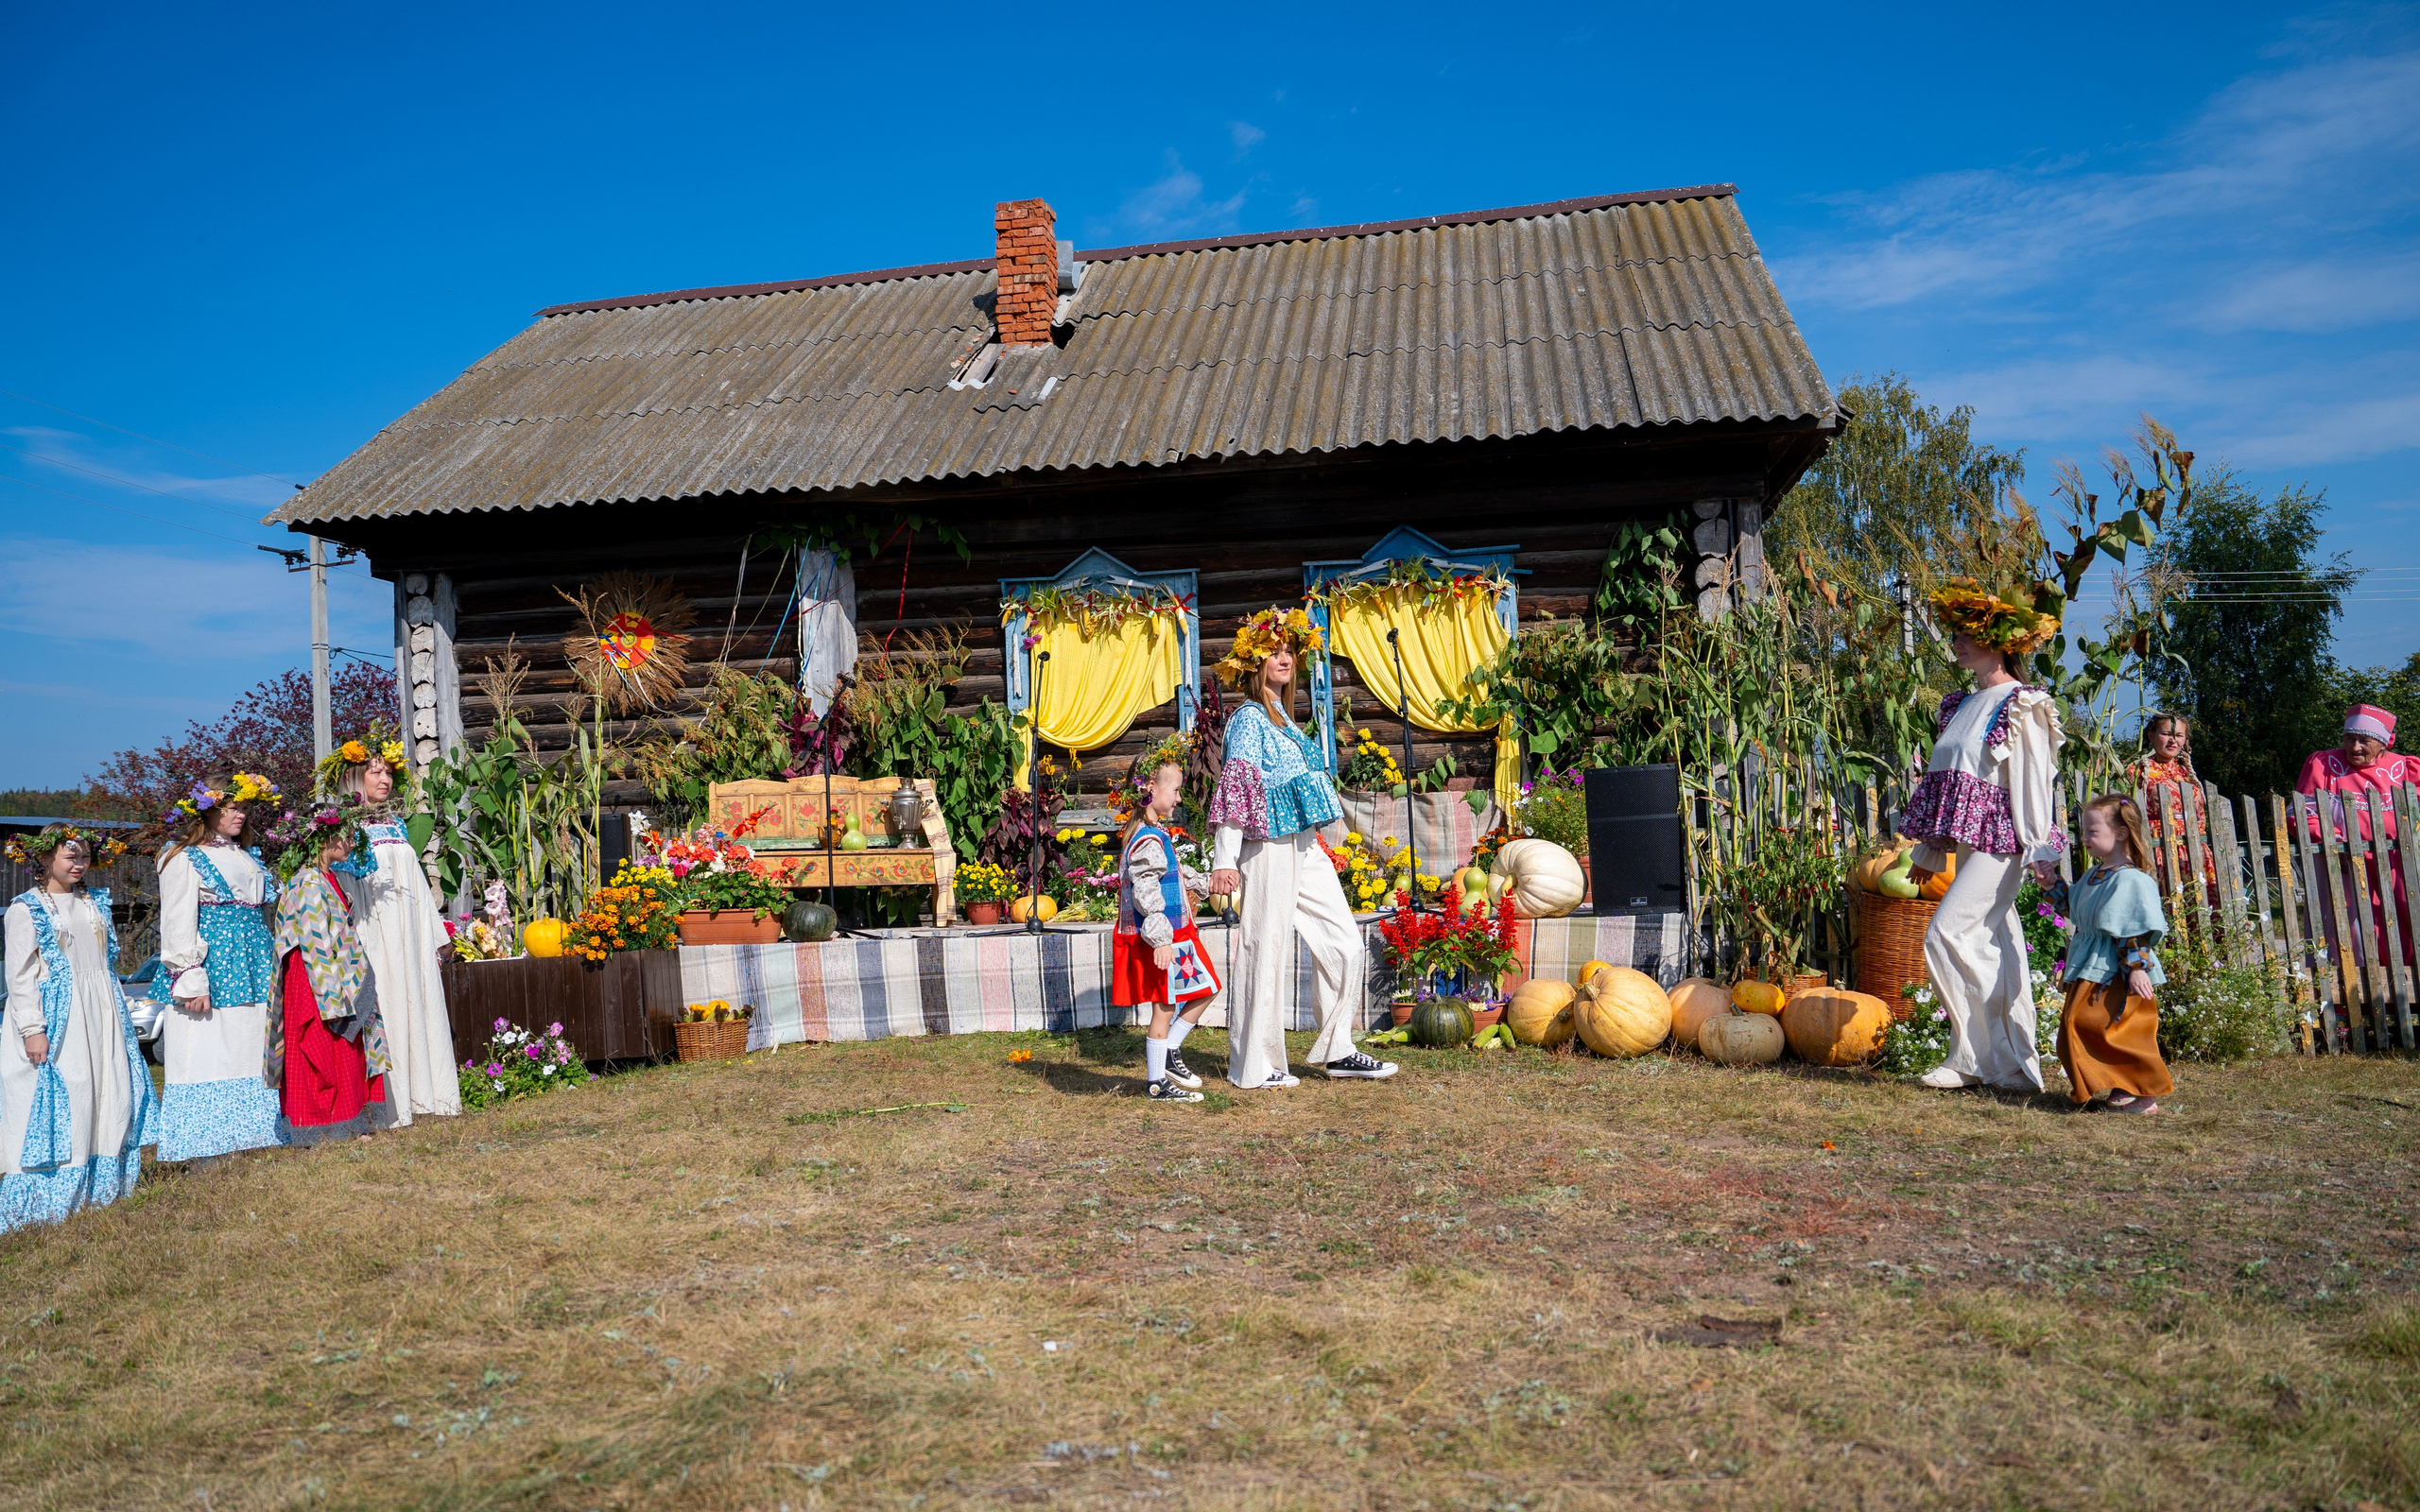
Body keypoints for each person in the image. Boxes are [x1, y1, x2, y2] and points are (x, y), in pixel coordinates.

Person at [1205, 607, 1397, 1089]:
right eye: (1272, 651)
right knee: (1263, 949)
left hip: (1303, 845)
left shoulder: (1286, 720)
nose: (1284, 656)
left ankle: (1338, 1049)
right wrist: (1224, 860)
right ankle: (1255, 1065)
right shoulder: (1250, 719)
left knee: (1344, 942)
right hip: (1266, 845)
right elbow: (1237, 788)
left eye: (1289, 650)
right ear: (1254, 664)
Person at [1902, 578, 2066, 1093]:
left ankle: (1979, 1059)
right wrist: (1929, 852)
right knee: (2000, 945)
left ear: (2000, 642)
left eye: (1968, 634)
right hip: (1975, 842)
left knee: (1948, 935)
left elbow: (2034, 780)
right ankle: (2014, 1065)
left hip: (2006, 843)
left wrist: (2041, 849)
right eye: (1956, 634)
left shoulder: (2023, 703)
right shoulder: (1959, 706)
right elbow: (1950, 788)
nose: (1957, 642)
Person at [1, 825, 156, 1231]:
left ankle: (102, 1193)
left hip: (101, 1010)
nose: (80, 864)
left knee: (108, 1091)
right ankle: (47, 1204)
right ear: (46, 859)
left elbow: (104, 965)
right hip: (59, 1017)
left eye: (84, 856)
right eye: (71, 857)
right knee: (70, 1095)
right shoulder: (26, 908)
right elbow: (19, 977)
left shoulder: (95, 903)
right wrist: (32, 1029)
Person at [319, 736, 458, 1123]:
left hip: (409, 930)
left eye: (387, 772)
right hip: (374, 930)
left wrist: (436, 934)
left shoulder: (396, 822)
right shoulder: (344, 827)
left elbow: (414, 878)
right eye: (374, 771)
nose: (384, 779)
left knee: (419, 998)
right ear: (354, 776)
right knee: (388, 1004)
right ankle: (389, 1107)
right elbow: (343, 887)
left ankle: (427, 1098)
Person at [156, 773, 290, 1161]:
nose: (241, 815)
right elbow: (178, 920)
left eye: (245, 807)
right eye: (232, 807)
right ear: (208, 810)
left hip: (255, 957)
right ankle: (208, 1143)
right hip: (214, 965)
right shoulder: (182, 856)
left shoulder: (245, 855)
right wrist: (190, 977)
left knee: (251, 1040)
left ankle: (255, 1134)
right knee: (210, 1045)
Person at [269, 807, 390, 1143]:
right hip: (317, 978)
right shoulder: (306, 882)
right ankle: (322, 1124)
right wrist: (332, 996)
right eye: (348, 836)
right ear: (326, 838)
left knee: (347, 1050)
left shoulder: (330, 877)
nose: (352, 844)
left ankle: (351, 1121)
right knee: (324, 1049)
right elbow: (313, 940)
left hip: (340, 975)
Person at [2048, 795, 2173, 1114]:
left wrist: (2136, 968)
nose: (2084, 838)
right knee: (2079, 1025)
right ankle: (2122, 1085)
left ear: (2119, 834)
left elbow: (2133, 927)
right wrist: (2050, 883)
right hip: (2091, 965)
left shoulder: (2131, 880)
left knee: (2115, 1029)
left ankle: (2142, 1092)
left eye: (2091, 831)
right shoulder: (2094, 875)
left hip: (2115, 969)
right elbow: (2074, 909)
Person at [1112, 737, 1220, 1103]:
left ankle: (1170, 1054)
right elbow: (1145, 890)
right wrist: (1160, 938)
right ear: (1151, 789)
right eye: (1174, 790)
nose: (1177, 798)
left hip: (1177, 933)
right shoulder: (1146, 839)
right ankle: (1157, 1082)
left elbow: (1170, 875)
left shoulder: (1155, 834)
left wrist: (1205, 882)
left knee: (1204, 989)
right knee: (1164, 1005)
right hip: (1165, 936)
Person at [2296, 703, 2416, 970]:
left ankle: (2407, 996)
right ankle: (2349, 1000)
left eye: (2364, 740)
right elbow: (2303, 812)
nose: (2355, 747)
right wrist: (2332, 841)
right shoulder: (2325, 764)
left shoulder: (2405, 768)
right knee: (2350, 932)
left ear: (2384, 742)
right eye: (2349, 739)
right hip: (2344, 866)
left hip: (2397, 865)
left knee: (2404, 926)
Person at [2134, 712, 2221, 916]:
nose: (2173, 740)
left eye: (2179, 735)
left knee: (2202, 910)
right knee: (2171, 909)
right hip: (2160, 849)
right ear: (2151, 735)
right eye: (2166, 733)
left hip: (2196, 849)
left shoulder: (2186, 772)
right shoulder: (2138, 771)